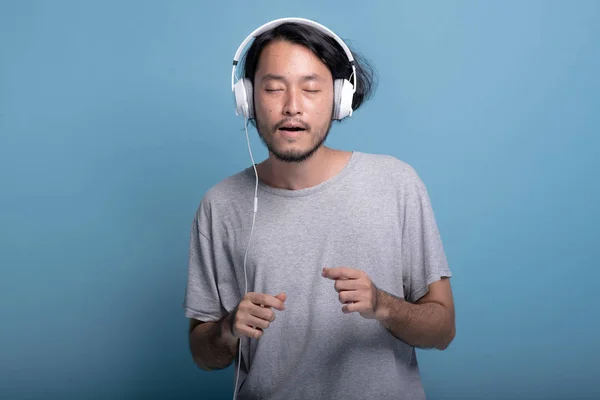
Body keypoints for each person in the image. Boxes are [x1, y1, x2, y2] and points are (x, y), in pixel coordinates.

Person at [183, 17, 455, 400]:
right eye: (273, 89)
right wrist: (228, 327)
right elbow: (202, 353)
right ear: (247, 98)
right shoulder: (220, 205)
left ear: (340, 99)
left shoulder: (396, 184)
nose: (292, 107)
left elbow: (443, 328)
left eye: (311, 89)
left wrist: (384, 305)